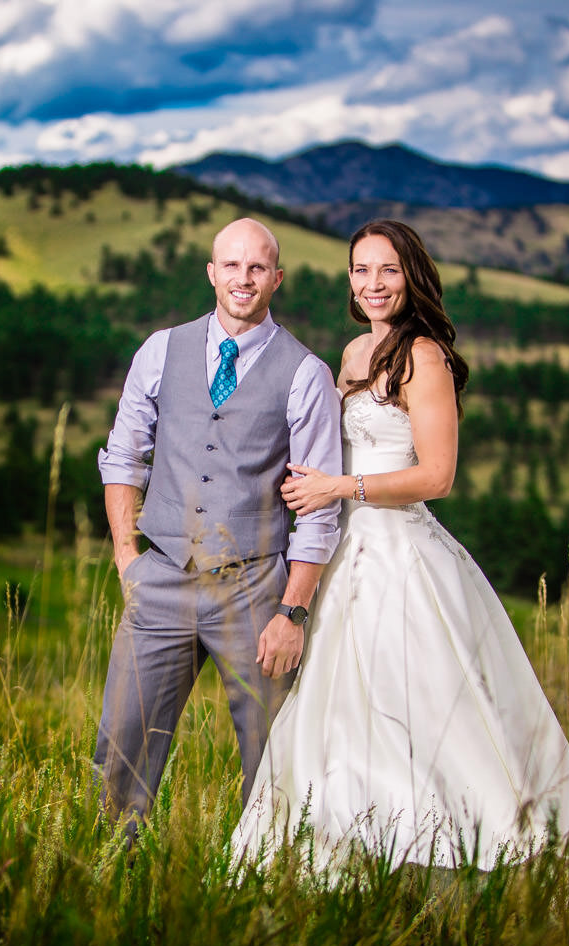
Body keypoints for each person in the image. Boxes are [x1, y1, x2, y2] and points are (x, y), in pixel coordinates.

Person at [230, 219, 569, 879]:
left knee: (422, 710)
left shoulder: (425, 357)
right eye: (361, 270)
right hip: (340, 558)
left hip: (401, 559)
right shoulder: (353, 356)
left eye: (387, 270)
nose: (373, 284)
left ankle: (450, 849)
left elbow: (437, 477)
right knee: (343, 711)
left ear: (411, 276)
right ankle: (356, 849)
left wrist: (340, 486)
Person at [94, 218, 344, 838]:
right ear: (211, 272)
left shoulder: (306, 374)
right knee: (122, 742)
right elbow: (123, 455)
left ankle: (263, 880)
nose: (243, 278)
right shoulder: (161, 349)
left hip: (256, 590)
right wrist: (128, 556)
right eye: (231, 265)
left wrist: (293, 613)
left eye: (257, 268)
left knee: (272, 752)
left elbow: (319, 507)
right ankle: (110, 873)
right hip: (160, 576)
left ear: (276, 279)